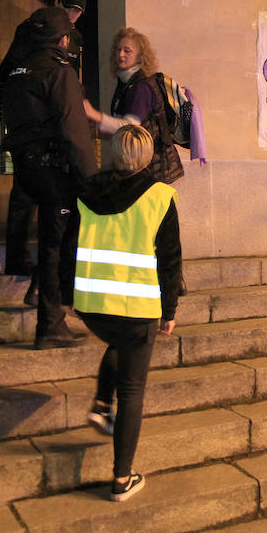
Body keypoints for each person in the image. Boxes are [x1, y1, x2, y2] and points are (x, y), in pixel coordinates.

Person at [74, 124, 182, 502]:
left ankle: (102, 403)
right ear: (148, 156)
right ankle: (122, 479)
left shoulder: (87, 191)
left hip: (92, 305)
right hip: (136, 307)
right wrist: (169, 309)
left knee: (118, 343)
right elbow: (170, 260)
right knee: (133, 389)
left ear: (114, 154)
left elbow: (69, 241)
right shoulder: (159, 196)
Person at [2, 7, 97, 350]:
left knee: (48, 244)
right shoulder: (60, 72)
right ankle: (51, 323)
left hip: (26, 167)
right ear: (64, 39)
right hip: (54, 171)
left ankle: (48, 312)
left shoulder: (15, 71)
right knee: (56, 246)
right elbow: (74, 131)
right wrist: (92, 180)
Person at [1, 0, 89, 279]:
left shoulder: (74, 38)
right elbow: (11, 72)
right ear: (55, 2)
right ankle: (23, 262)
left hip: (54, 126)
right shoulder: (32, 30)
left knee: (46, 205)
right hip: (34, 126)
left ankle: (48, 277)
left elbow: (72, 77)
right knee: (26, 200)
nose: (72, 15)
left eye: (77, 11)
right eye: (68, 8)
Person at [84, 27, 185, 185]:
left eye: (127, 50)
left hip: (152, 169)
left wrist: (94, 115)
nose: (120, 54)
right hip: (143, 167)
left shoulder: (141, 86)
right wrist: (97, 129)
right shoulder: (127, 83)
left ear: (140, 57)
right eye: (118, 49)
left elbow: (130, 128)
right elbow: (123, 128)